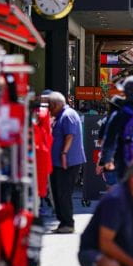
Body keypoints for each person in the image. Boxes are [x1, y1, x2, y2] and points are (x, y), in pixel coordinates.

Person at [49, 91, 86, 233]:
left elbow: (70, 135)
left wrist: (64, 153)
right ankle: (63, 222)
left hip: (67, 162)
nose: (49, 109)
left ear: (56, 104)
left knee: (63, 193)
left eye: (51, 105)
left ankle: (68, 223)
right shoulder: (61, 116)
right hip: (60, 162)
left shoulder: (67, 115)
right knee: (59, 193)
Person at [97, 95, 125, 186]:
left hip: (111, 161)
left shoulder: (107, 120)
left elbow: (102, 142)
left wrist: (101, 162)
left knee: (112, 188)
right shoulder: (129, 120)